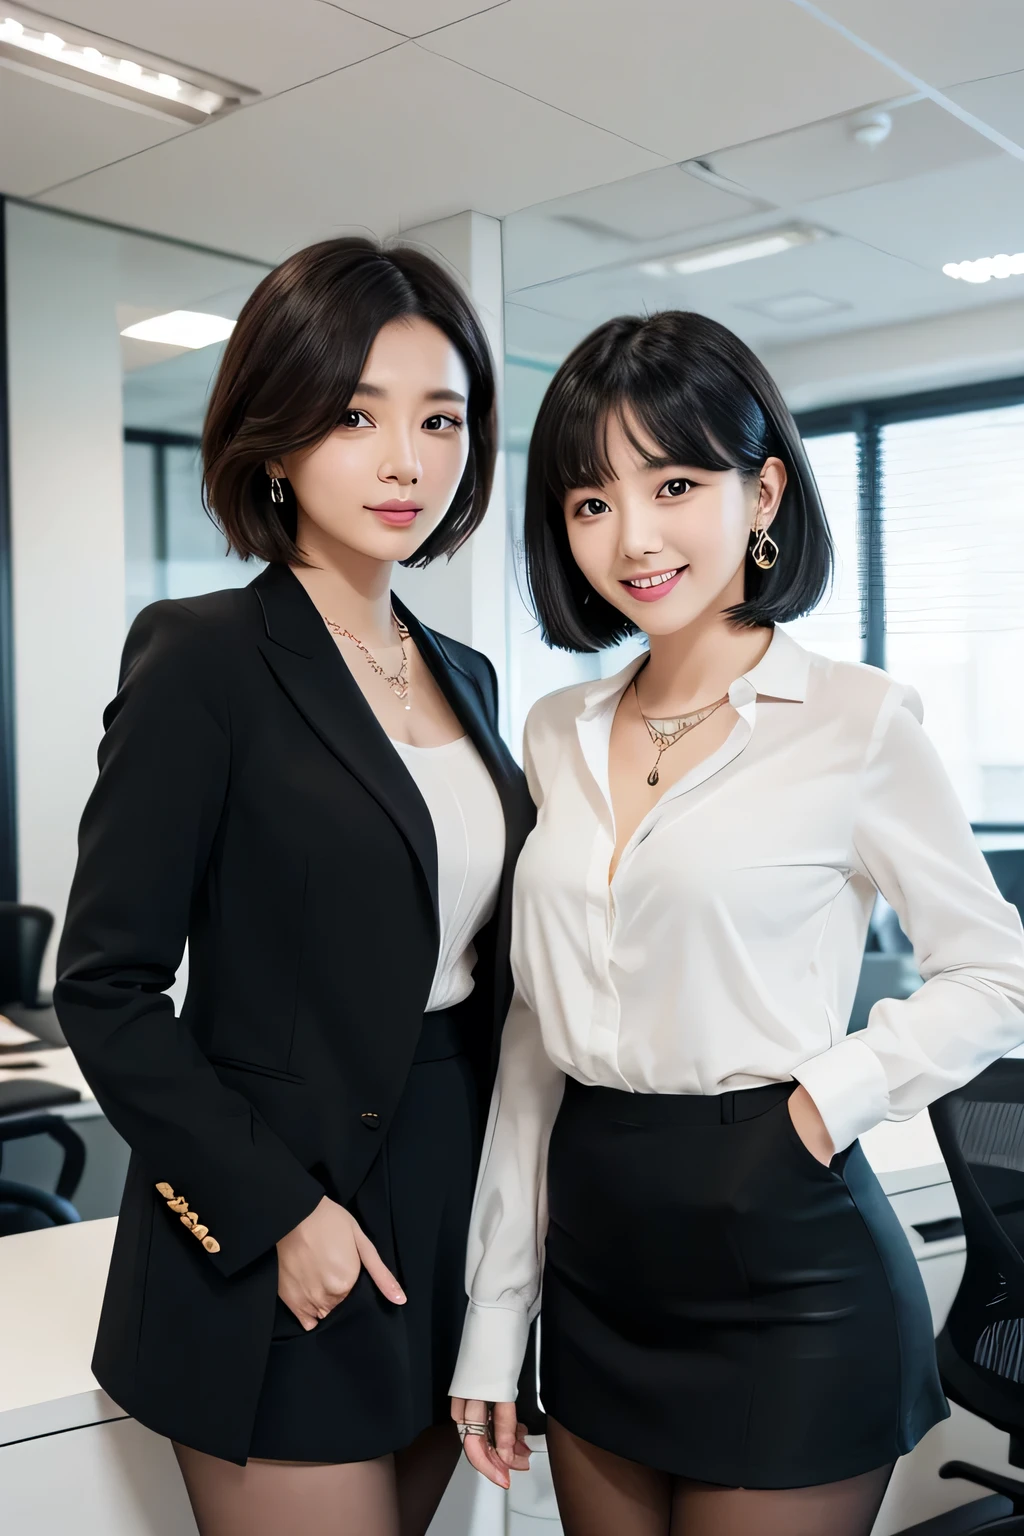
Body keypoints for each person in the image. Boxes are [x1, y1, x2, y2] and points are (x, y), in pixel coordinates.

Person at [450, 310, 1024, 1536]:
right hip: (596, 1262)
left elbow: (996, 973)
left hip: (786, 1261)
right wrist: (494, 1327)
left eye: (674, 482)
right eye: (590, 499)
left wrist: (831, 1096)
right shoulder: (555, 730)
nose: (633, 536)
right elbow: (530, 1044)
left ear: (761, 493)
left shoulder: (857, 722)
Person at [54, 236, 533, 1536]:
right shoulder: (204, 659)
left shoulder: (469, 677)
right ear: (274, 439)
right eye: (354, 415)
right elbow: (105, 989)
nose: (406, 460)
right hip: (280, 1218)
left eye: (441, 420)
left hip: (451, 1209)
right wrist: (275, 1218)